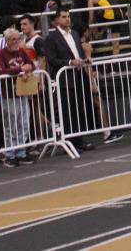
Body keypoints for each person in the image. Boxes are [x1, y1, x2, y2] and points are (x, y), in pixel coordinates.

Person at [44, 8, 96, 152]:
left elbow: (78, 53)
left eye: (68, 16)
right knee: (67, 112)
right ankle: (70, 141)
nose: (67, 19)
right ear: (56, 20)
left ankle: (79, 140)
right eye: (63, 17)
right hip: (63, 79)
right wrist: (70, 62)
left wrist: (85, 60)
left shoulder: (74, 34)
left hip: (78, 76)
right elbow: (52, 60)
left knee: (78, 109)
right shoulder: (51, 38)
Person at [0, 28, 37, 167]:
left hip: (23, 91)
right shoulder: (0, 54)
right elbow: (1, 70)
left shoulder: (21, 51)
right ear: (7, 40)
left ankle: (21, 152)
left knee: (23, 123)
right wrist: (20, 69)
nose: (17, 41)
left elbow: (31, 65)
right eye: (13, 39)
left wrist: (28, 69)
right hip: (9, 94)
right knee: (10, 125)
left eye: (18, 39)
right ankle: (9, 155)